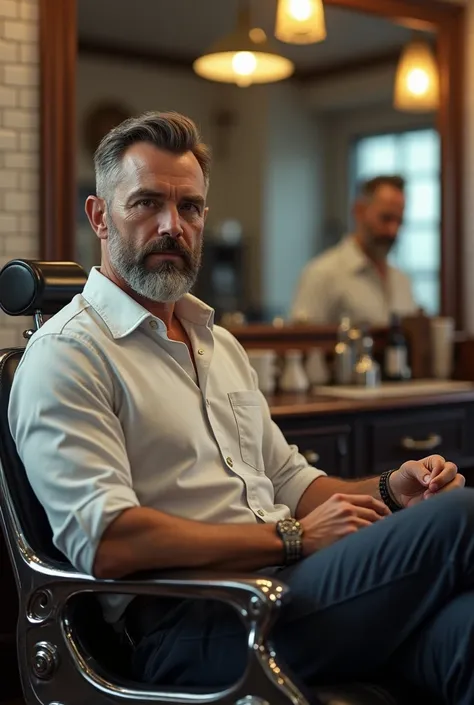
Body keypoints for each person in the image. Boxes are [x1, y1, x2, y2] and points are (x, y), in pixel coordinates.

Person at [7, 111, 474, 704]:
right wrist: (290, 539)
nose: (171, 226)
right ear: (100, 216)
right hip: (187, 625)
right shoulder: (68, 356)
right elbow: (108, 542)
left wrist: (387, 490)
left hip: (283, 592)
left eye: (190, 208)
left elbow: (291, 481)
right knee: (460, 517)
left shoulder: (217, 342)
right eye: (147, 203)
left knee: (465, 631)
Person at [291, 175, 417, 325]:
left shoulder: (402, 281)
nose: (392, 231)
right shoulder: (322, 274)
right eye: (386, 218)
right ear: (359, 211)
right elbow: (304, 343)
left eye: (399, 221)